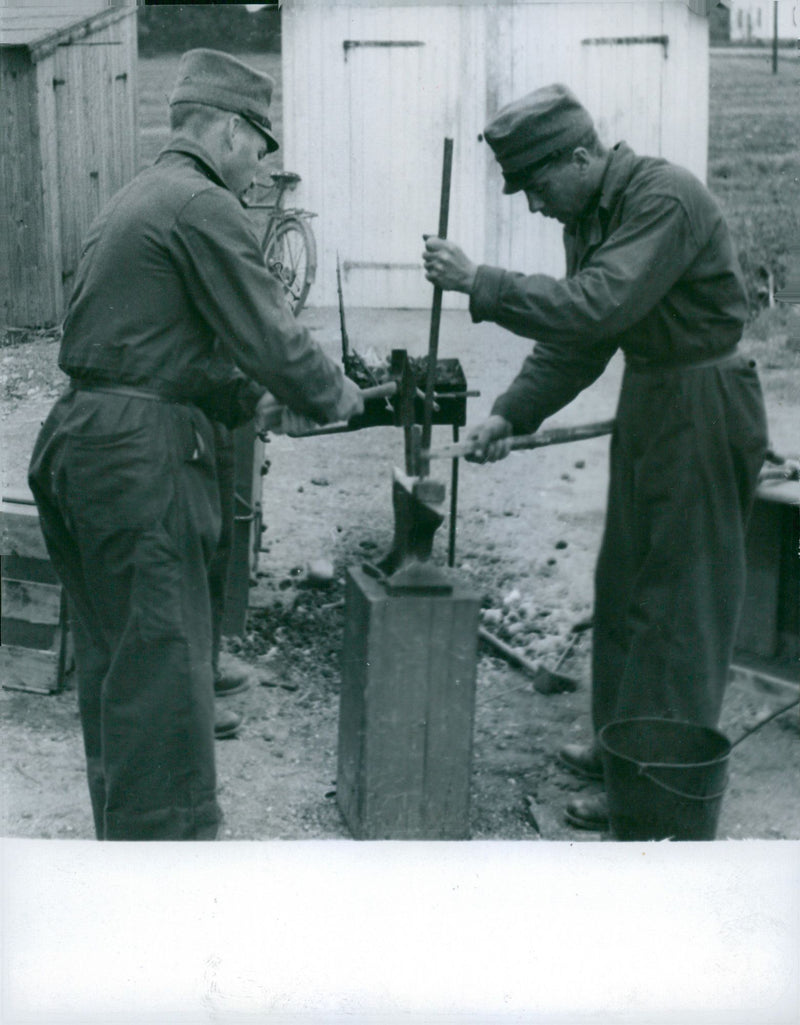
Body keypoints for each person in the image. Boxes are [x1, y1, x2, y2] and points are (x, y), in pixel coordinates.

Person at [28, 49, 363, 840]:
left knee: (118, 661)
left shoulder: (136, 198)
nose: (258, 171)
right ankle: (168, 864)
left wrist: (250, 402)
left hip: (83, 438)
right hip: (139, 455)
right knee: (167, 666)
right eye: (257, 147)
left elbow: (158, 342)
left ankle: (128, 839)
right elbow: (273, 333)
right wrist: (333, 393)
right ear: (222, 129)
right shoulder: (201, 204)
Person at [423, 84, 768, 831]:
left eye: (538, 185)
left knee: (679, 603)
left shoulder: (661, 200)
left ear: (580, 156)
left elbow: (596, 306)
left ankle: (654, 779)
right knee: (625, 584)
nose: (534, 204)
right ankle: (623, 738)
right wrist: (510, 413)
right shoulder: (590, 212)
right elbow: (581, 340)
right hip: (653, 398)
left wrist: (481, 282)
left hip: (705, 403)